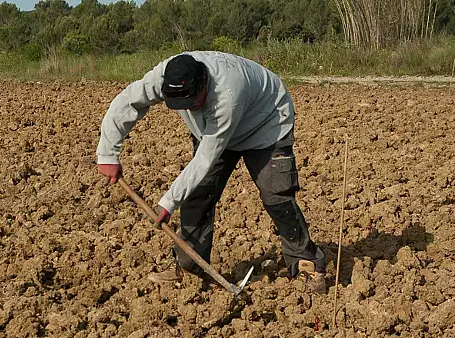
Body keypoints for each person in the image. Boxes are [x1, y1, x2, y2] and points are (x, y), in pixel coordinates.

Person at [96, 51, 326, 293]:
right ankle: (190, 269)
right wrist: (107, 153)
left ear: (203, 83)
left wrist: (168, 202)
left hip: (265, 123)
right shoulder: (164, 77)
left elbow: (206, 157)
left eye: (193, 102)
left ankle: (307, 263)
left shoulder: (227, 94)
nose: (189, 109)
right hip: (212, 130)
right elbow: (126, 102)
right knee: (197, 195)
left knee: (276, 195)